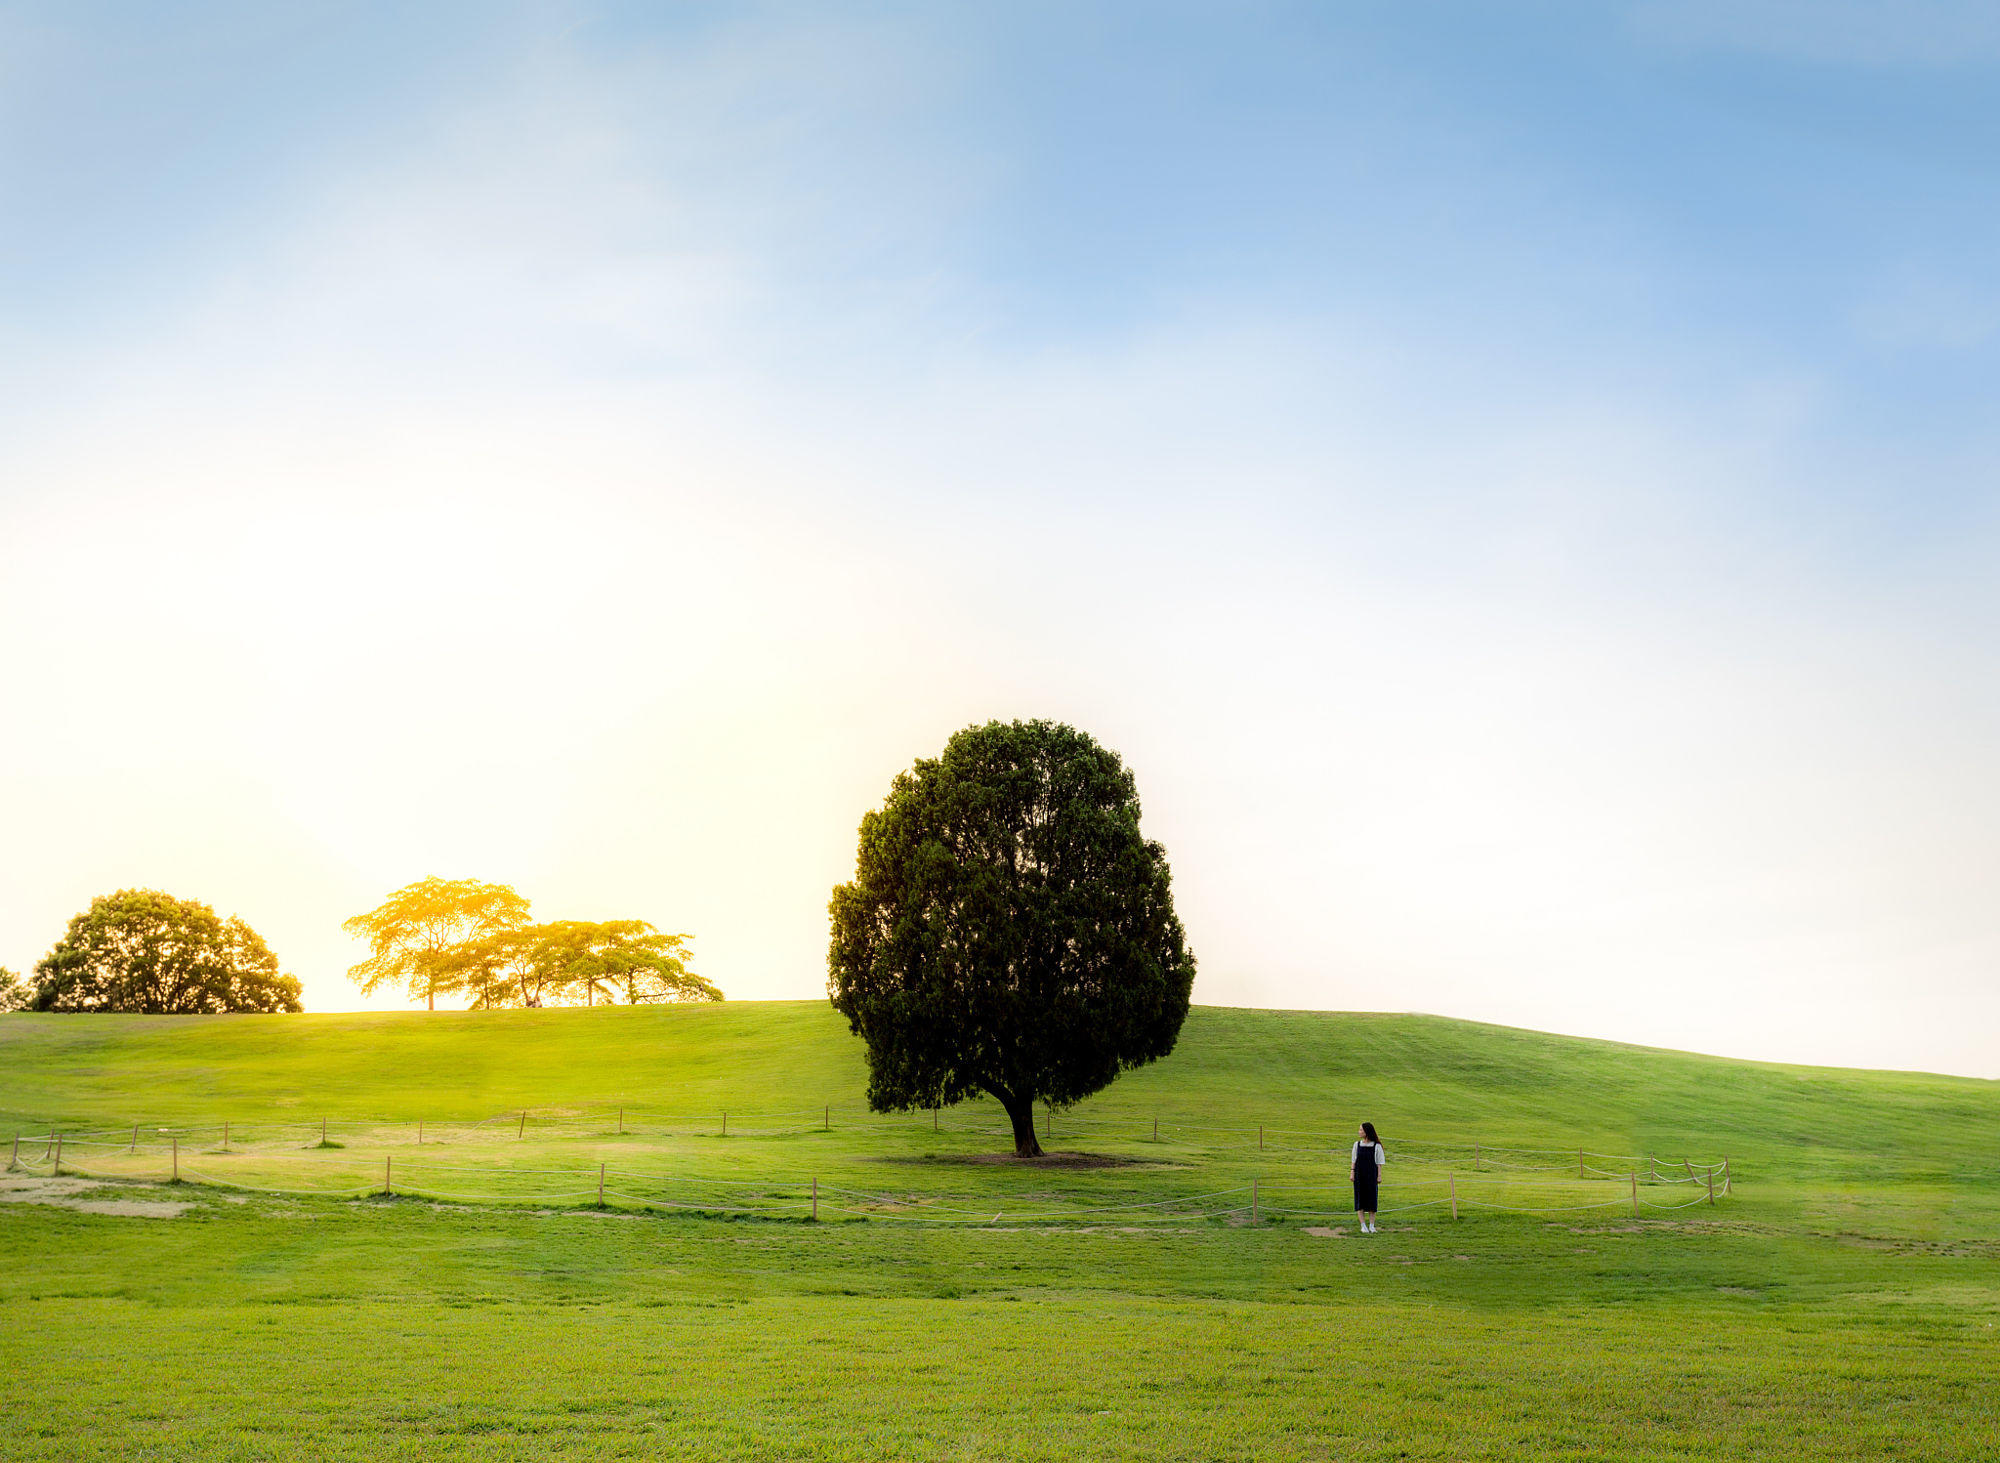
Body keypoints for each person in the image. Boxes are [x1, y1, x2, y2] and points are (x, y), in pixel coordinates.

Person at [1350, 1121, 1386, 1233]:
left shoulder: (1377, 1146)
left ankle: (1371, 1225)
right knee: (1359, 1199)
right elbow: (1353, 1160)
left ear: (1367, 1132)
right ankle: (1363, 1225)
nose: (1359, 1132)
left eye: (1361, 1130)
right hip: (1359, 1175)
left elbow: (1379, 1162)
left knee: (1372, 1199)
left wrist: (1379, 1176)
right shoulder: (1357, 1145)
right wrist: (1352, 1173)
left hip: (1371, 1176)